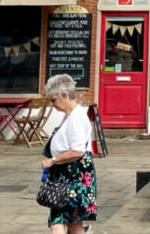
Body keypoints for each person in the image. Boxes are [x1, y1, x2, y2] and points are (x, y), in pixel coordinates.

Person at [40, 73, 97, 234]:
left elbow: (77, 150)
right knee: (73, 223)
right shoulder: (70, 116)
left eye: (53, 100)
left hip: (73, 176)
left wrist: (53, 160)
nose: (52, 104)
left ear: (65, 95)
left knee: (57, 221)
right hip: (67, 175)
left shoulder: (76, 117)